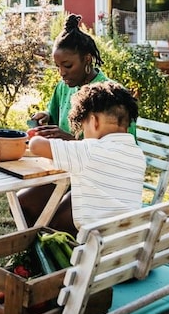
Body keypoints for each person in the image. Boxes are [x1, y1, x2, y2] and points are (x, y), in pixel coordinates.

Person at [19, 13, 135, 231]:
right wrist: (45, 117)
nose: (62, 73)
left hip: (95, 180)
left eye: (68, 65)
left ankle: (58, 257)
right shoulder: (64, 87)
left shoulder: (109, 96)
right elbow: (54, 117)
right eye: (58, 67)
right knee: (22, 203)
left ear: (87, 59)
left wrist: (72, 140)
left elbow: (123, 146)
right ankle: (36, 258)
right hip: (64, 171)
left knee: (56, 220)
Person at [27, 81, 147, 234]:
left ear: (93, 121)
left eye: (83, 126)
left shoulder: (88, 151)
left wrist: (35, 135)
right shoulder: (137, 154)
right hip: (126, 241)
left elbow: (36, 145)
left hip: (95, 247)